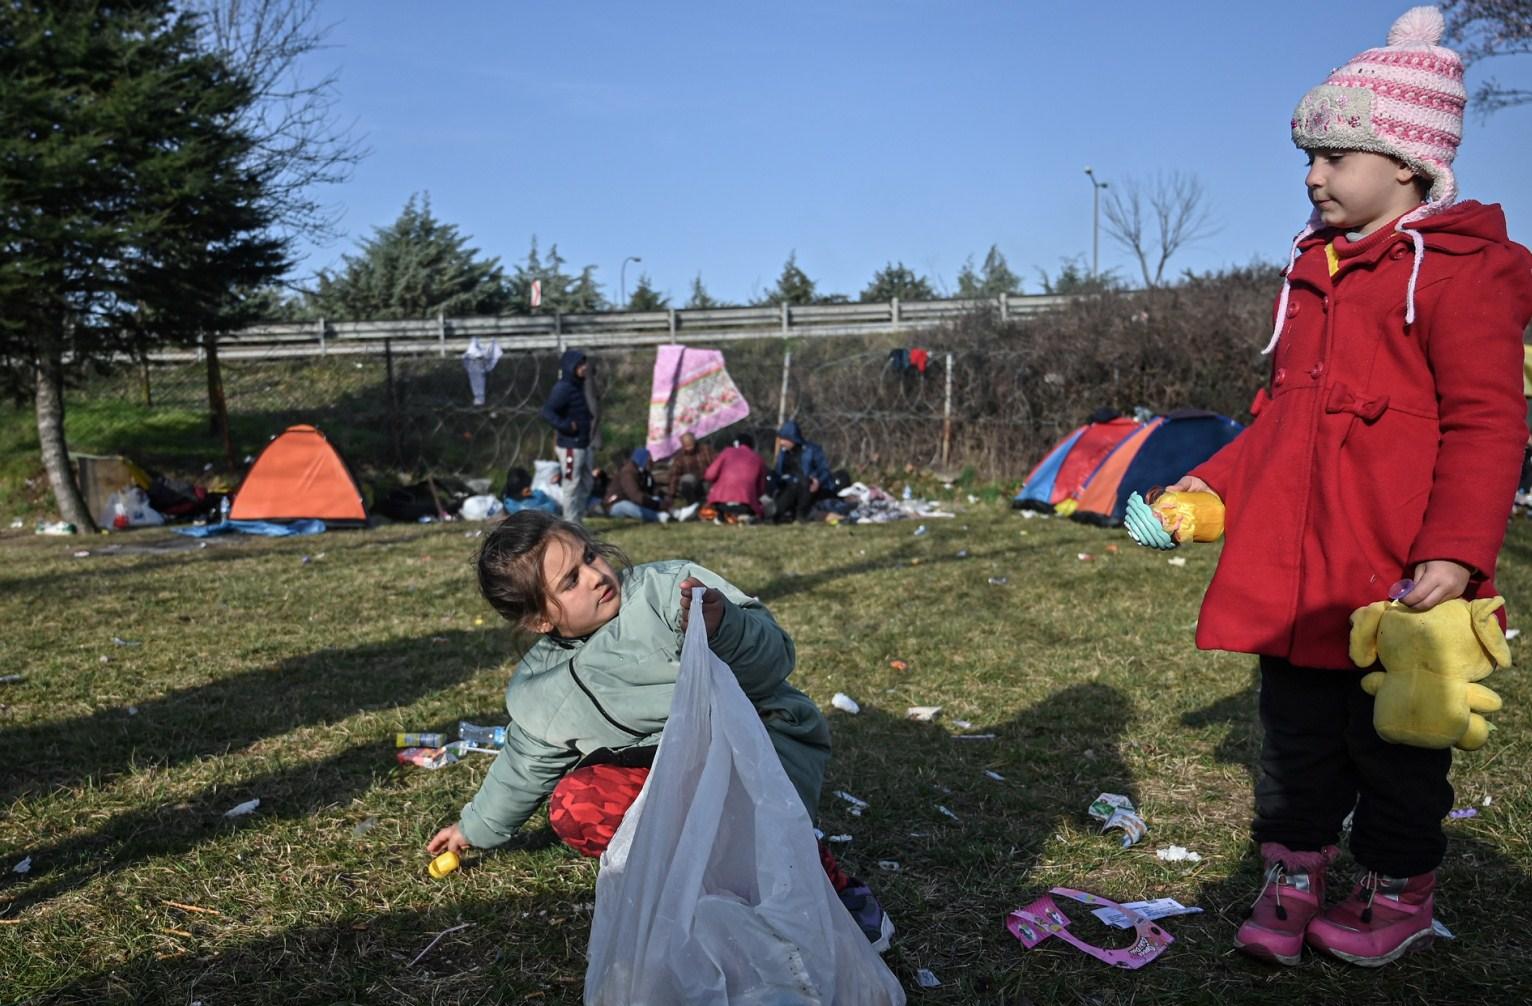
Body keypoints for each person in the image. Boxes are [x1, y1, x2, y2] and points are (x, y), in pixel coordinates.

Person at [1158, 7, 1532, 968]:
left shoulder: (1461, 273)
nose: (1314, 175)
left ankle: (1398, 891)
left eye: (1336, 154)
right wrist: (1208, 486)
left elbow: (1490, 422)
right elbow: (1278, 419)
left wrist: (1454, 549)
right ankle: (1292, 876)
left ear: (1406, 164)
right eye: (1309, 157)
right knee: (1292, 743)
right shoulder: (1311, 272)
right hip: (1297, 578)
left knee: (1401, 749)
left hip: (1400, 581)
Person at [425, 511, 894, 951]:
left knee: (747, 816)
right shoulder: (542, 686)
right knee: (577, 806)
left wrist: (722, 627)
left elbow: (774, 660)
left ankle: (830, 891)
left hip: (755, 744)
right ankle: (711, 891)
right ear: (540, 619)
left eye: (590, 555)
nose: (594, 575)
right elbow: (525, 763)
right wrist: (475, 828)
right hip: (671, 775)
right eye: (570, 581)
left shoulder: (671, 591)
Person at [539, 349, 597, 522]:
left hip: (584, 444)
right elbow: (547, 412)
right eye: (580, 364)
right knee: (571, 485)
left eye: (584, 363)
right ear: (571, 367)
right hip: (571, 445)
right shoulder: (563, 388)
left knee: (587, 483)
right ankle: (571, 525)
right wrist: (565, 426)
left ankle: (577, 519)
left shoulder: (577, 386)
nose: (584, 368)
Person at [770, 419, 836, 523]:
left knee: (804, 482)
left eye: (784, 439)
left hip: (808, 488)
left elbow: (824, 470)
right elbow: (779, 472)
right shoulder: (783, 453)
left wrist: (818, 480)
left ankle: (802, 514)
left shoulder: (812, 450)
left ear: (793, 439)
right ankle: (779, 514)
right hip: (790, 488)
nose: (781, 443)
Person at [705, 431, 768, 521]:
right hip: (746, 503)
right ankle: (743, 516)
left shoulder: (727, 452)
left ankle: (723, 516)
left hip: (720, 500)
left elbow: (709, 475)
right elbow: (761, 489)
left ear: (736, 443)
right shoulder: (758, 459)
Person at [603, 448, 669, 523]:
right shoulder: (627, 473)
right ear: (642, 459)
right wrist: (656, 505)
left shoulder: (644, 473)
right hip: (615, 503)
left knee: (656, 498)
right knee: (626, 506)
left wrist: (664, 500)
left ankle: (671, 513)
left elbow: (653, 490)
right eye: (649, 459)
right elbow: (635, 496)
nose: (651, 462)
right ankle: (657, 516)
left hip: (633, 501)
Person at [665, 432, 714, 509]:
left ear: (694, 441)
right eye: (687, 446)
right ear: (683, 445)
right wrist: (671, 495)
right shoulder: (679, 457)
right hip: (692, 485)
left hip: (708, 482)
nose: (689, 448)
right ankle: (693, 506)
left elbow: (716, 465)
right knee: (687, 479)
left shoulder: (706, 450)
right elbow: (674, 476)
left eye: (691, 445)